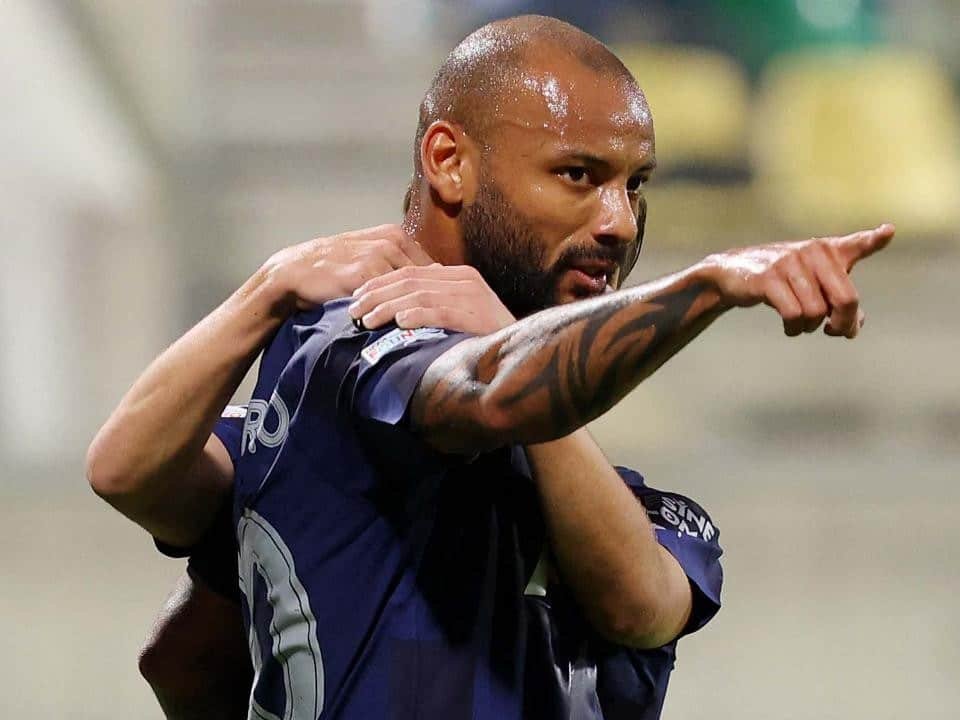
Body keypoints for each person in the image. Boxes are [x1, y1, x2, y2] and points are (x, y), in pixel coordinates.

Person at [87, 15, 893, 719]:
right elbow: (129, 475)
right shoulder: (359, 346)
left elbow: (641, 605)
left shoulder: (647, 515)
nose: (618, 221)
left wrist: (505, 334)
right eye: (578, 175)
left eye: (635, 183)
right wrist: (710, 285)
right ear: (449, 162)